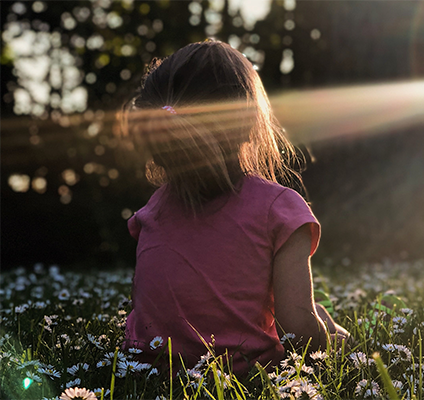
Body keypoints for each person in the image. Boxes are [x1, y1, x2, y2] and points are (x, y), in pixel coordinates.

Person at [120, 40, 349, 375]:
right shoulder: (279, 209)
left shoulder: (152, 211)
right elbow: (297, 329)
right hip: (243, 376)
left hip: (148, 371)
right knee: (319, 319)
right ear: (247, 123)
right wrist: (334, 342)